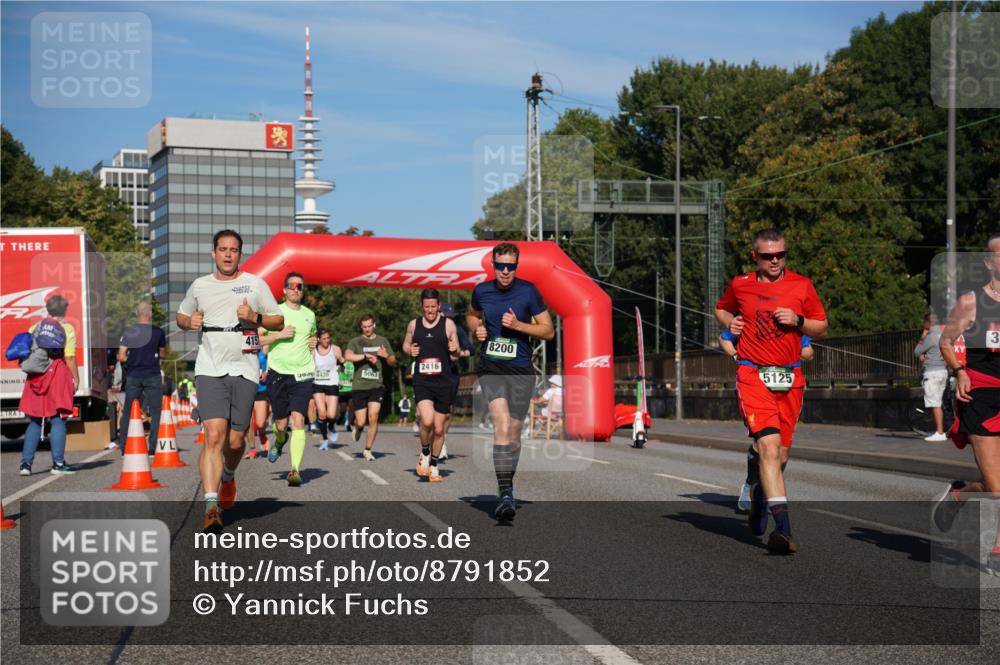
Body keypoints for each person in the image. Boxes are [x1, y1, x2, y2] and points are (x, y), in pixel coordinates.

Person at [714, 228, 827, 553]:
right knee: (768, 448)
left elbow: (821, 326)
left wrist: (799, 320)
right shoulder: (741, 284)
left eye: (781, 254)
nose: (775, 260)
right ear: (755, 257)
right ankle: (784, 529)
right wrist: (731, 323)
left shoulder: (801, 285)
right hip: (752, 375)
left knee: (781, 456)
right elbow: (722, 309)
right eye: (768, 255)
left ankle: (761, 496)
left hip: (790, 378)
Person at [176, 229, 283, 533]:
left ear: (240, 254)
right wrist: (189, 322)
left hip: (245, 368)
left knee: (236, 440)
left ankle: (228, 474)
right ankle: (211, 506)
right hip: (209, 366)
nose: (227, 254)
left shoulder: (255, 284)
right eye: (222, 249)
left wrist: (256, 317)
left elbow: (279, 320)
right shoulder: (200, 286)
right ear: (214, 253)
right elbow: (181, 317)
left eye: (233, 250)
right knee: (214, 434)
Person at [467, 242, 554, 521]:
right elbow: (471, 315)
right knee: (501, 425)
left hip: (520, 369)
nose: (505, 271)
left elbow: (548, 331)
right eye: (500, 266)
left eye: (510, 267)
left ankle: (508, 484)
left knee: (514, 436)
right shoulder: (482, 291)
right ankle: (505, 494)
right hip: (491, 366)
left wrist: (518, 326)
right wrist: (478, 328)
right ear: (493, 265)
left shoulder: (528, 292)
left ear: (516, 266)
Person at [934, 232, 1000, 575]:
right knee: (998, 487)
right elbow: (946, 341)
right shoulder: (972, 302)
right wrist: (960, 371)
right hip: (982, 396)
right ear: (989, 262)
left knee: (995, 485)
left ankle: (960, 493)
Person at [727, 328, 814, 512]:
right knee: (765, 442)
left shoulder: (791, 323)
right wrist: (736, 354)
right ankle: (752, 485)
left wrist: (787, 349)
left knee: (781, 451)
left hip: (786, 388)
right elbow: (725, 338)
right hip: (756, 386)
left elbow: (808, 351)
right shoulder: (750, 318)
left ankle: (766, 489)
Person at [259, 272, 317, 487]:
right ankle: (279, 441)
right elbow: (257, 338)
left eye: (300, 286)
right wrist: (278, 335)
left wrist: (313, 341)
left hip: (302, 374)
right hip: (278, 373)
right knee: (281, 424)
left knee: (298, 420)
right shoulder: (275, 313)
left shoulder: (310, 315)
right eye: (292, 286)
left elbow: (312, 334)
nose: (296, 289)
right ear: (284, 290)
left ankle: (294, 470)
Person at [18, 294, 79, 476]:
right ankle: (58, 464)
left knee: (35, 420)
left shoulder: (34, 327)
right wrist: (76, 378)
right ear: (65, 310)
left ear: (48, 309)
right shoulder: (66, 329)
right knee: (58, 418)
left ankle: (25, 465)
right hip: (57, 373)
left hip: (36, 376)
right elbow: (69, 357)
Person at [403, 289, 461, 483]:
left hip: (444, 382)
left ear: (438, 306)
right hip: (423, 381)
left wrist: (455, 350)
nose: (430, 310)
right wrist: (409, 349)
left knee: (438, 429)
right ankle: (425, 452)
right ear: (422, 306)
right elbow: (405, 345)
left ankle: (434, 466)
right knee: (426, 421)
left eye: (433, 306)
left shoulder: (448, 324)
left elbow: (456, 352)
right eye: (426, 307)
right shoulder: (414, 325)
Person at [115, 302, 166, 455]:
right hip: (152, 374)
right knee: (156, 412)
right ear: (150, 314)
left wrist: (131, 358)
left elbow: (122, 356)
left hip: (134, 375)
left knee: (129, 411)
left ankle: (124, 447)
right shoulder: (158, 332)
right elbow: (163, 354)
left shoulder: (129, 332)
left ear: (137, 313)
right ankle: (152, 448)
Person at [344, 314, 397, 461]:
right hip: (359, 386)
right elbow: (347, 356)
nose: (367, 329)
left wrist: (386, 355)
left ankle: (368, 449)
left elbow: (393, 362)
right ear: (361, 327)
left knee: (373, 417)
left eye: (369, 326)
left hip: (376, 385)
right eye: (364, 326)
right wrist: (365, 356)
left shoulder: (382, 341)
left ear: (374, 325)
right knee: (361, 421)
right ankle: (359, 428)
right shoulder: (356, 342)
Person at [439, 301, 474, 460]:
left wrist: (460, 353)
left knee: (447, 411)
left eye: (451, 317)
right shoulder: (429, 329)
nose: (449, 320)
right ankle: (432, 440)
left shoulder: (458, 331)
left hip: (451, 373)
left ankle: (442, 441)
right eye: (446, 317)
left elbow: (471, 349)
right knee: (431, 412)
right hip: (432, 373)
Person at [914, 312, 950, 442]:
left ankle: (939, 432)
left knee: (935, 403)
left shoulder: (931, 336)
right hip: (942, 371)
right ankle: (941, 430)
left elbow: (917, 351)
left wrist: (922, 337)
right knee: (939, 402)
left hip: (932, 372)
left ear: (928, 323)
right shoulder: (944, 335)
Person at [312, 327, 344, 450]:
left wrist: (342, 362)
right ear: (319, 339)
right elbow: (309, 365)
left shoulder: (335, 349)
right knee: (322, 413)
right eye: (324, 339)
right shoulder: (313, 351)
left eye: (328, 338)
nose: (327, 341)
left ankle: (331, 427)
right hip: (318, 383)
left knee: (331, 415)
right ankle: (325, 438)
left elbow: (342, 365)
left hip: (332, 383)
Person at [245, 348, 271, 460]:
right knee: (248, 422)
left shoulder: (264, 349)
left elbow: (274, 360)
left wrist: (266, 372)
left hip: (261, 389)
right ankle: (252, 449)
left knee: (260, 423)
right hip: (246, 389)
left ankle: (262, 434)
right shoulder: (242, 349)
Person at [338, 359, 354, 430]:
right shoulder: (340, 365)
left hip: (352, 389)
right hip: (342, 390)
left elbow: (355, 376)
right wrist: (338, 382)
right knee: (343, 410)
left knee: (352, 407)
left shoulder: (354, 365)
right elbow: (335, 374)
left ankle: (349, 425)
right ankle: (340, 418)